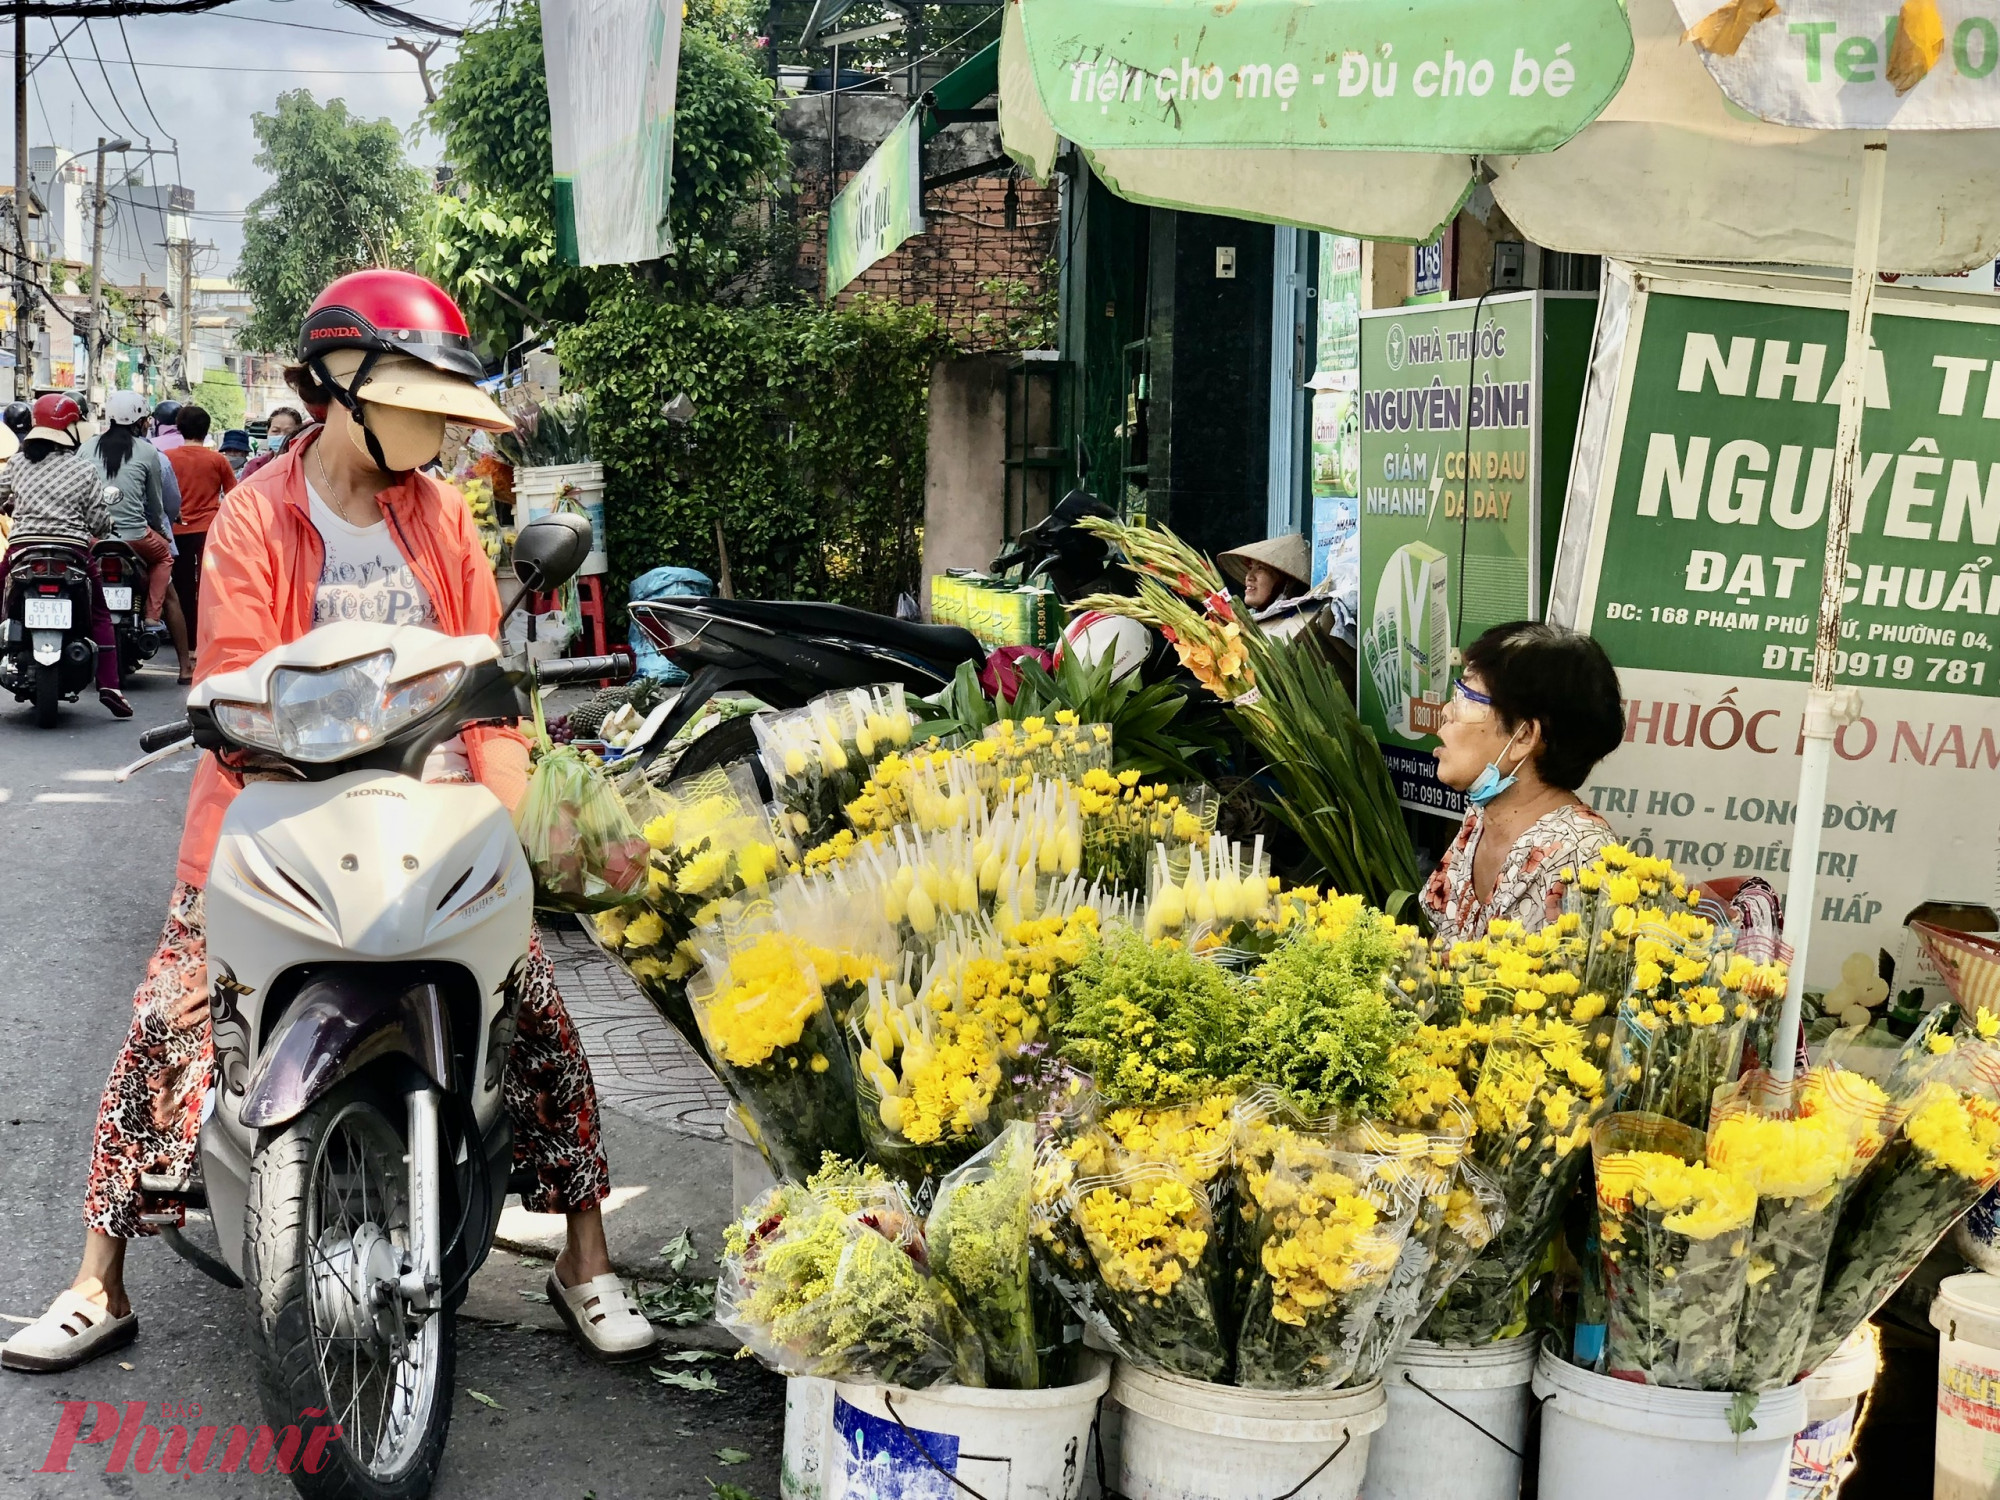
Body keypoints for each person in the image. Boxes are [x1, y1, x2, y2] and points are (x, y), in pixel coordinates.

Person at [1, 268, 657, 1375]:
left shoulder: (442, 513)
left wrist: (526, 818)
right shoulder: (258, 513)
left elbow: (483, 670)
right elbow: (233, 680)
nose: (441, 432)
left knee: (533, 1006)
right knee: (171, 1017)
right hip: (272, 811)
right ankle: (96, 1279)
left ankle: (582, 1260)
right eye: (422, 401)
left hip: (434, 813)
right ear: (343, 386)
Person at [1420, 621, 1625, 948]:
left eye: (1466, 698)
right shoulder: (1481, 816)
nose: (1447, 711)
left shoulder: (1579, 856)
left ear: (1525, 737)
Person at [0, 393, 131, 716]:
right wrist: (106, 525)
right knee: (100, 612)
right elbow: (99, 520)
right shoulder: (83, 470)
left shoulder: (17, 463)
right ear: (71, 428)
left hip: (23, 550)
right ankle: (110, 685)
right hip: (72, 551)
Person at [87, 391, 192, 682]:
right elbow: (159, 506)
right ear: (142, 422)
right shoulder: (149, 453)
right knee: (165, 559)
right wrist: (161, 531)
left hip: (93, 538)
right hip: (136, 538)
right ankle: (163, 635)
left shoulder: (86, 448)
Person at [165, 403, 237, 655]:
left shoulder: (168, 458)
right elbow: (233, 495)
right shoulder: (217, 460)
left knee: (183, 588)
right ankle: (210, 639)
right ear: (207, 430)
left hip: (176, 531)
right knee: (209, 585)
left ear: (179, 428)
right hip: (209, 531)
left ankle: (191, 644)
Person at [237, 404, 304, 481]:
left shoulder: (305, 466)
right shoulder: (255, 465)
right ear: (267, 431)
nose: (281, 436)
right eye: (275, 431)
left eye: (288, 433)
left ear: (299, 434)